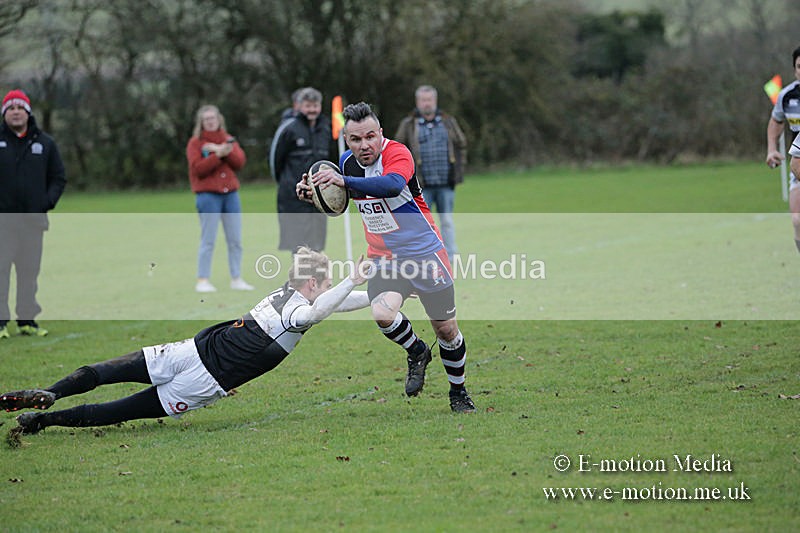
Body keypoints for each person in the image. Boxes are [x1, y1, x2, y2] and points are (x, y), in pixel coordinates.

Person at [1, 248, 370, 435]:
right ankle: (40, 421)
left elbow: (330, 304)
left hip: (189, 350)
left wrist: (377, 294)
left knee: (104, 371)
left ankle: (51, 391)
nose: (326, 291)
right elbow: (320, 311)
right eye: (323, 284)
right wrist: (352, 280)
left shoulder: (285, 293)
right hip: (204, 381)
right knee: (119, 410)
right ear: (311, 284)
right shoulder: (300, 311)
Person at [298, 102, 476, 413]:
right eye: (355, 139)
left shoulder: (398, 154)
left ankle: (458, 392)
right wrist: (315, 195)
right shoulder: (347, 165)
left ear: (381, 133)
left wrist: (344, 182)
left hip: (425, 254)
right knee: (382, 313)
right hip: (384, 257)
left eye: (370, 136)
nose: (364, 145)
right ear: (347, 140)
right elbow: (340, 203)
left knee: (446, 329)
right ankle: (418, 351)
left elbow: (392, 185)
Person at [0, 89, 66, 339]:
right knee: (1, 272)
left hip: (33, 221)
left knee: (29, 273)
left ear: (27, 112)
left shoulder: (45, 143)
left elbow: (58, 178)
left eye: (20, 108)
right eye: (10, 108)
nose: (15, 112)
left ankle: (27, 321)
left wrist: (45, 202)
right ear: (5, 113)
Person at [394, 85, 467, 260]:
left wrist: (458, 170)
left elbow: (461, 144)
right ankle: (422, 256)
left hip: (445, 183)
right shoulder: (408, 124)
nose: (427, 104)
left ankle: (449, 258)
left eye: (430, 100)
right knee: (420, 223)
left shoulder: (448, 122)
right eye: (423, 100)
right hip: (420, 185)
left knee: (447, 222)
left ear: (435, 101)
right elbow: (398, 149)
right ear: (417, 102)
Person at [187, 104, 253, 293]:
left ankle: (236, 277)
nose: (210, 122)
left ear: (219, 119)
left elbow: (239, 162)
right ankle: (203, 279)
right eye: (206, 119)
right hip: (208, 196)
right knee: (208, 239)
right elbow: (198, 169)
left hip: (230, 195)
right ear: (201, 122)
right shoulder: (195, 143)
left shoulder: (227, 139)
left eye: (213, 118)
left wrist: (224, 150)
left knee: (235, 239)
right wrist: (218, 155)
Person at [269, 87, 336, 253]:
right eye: (308, 105)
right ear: (299, 106)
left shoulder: (326, 128)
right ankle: (299, 279)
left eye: (315, 105)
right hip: (293, 199)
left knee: (317, 247)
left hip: (319, 199)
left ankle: (315, 279)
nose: (312, 110)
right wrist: (288, 184)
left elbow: (331, 160)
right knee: (299, 249)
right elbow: (274, 160)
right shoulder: (289, 128)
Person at [765, 46, 800, 252]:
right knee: (797, 220)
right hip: (798, 161)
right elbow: (775, 122)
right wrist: (771, 149)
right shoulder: (786, 96)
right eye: (799, 66)